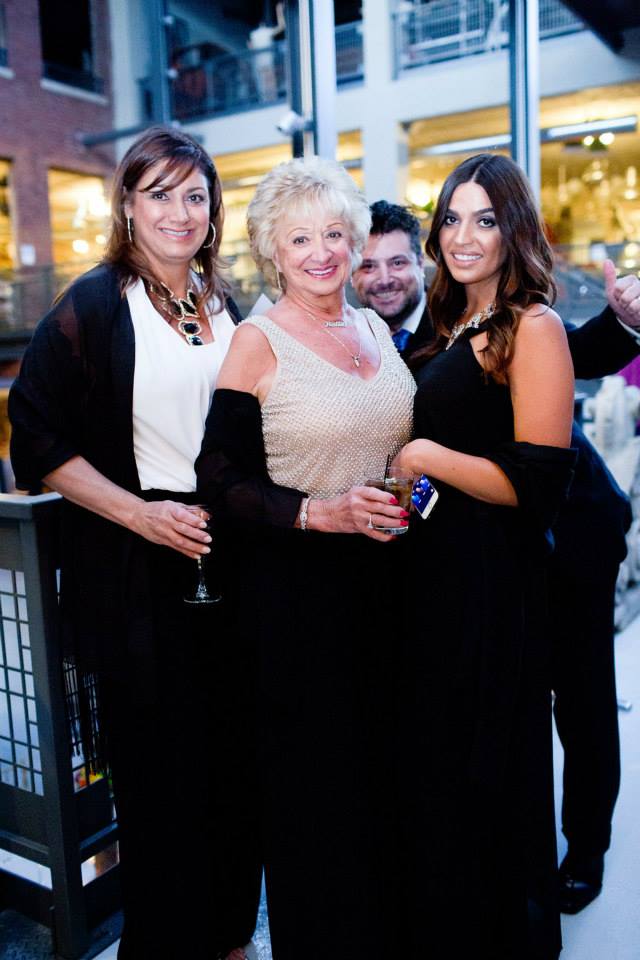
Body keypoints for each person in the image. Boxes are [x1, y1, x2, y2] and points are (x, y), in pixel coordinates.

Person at [9, 127, 260, 960]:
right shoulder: (93, 304)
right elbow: (34, 437)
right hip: (139, 570)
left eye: (195, 196)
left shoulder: (226, 302)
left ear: (213, 209)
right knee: (160, 780)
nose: (179, 212)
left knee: (234, 762)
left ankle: (230, 936)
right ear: (127, 205)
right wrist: (138, 514)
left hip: (231, 557)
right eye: (160, 194)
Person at [353, 199, 640, 913]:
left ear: (416, 259)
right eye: (368, 264)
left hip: (569, 527)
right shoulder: (384, 338)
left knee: (578, 693)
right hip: (482, 549)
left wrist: (624, 321)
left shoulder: (498, 313)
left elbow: (568, 355)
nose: (384, 277)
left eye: (396, 261)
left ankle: (586, 851)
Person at [195, 155, 417, 960]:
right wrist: (318, 513)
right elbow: (217, 478)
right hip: (298, 603)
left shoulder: (373, 328)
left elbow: (402, 440)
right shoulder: (257, 342)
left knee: (387, 783)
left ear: (354, 239)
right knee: (316, 800)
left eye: (332, 233)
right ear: (273, 252)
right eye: (299, 239)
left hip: (391, 588)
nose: (320, 252)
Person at [391, 153, 577, 959]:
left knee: (488, 777)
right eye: (451, 218)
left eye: (486, 220)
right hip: (434, 582)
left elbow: (539, 486)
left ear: (514, 230)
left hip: (494, 588)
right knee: (439, 778)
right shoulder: (448, 325)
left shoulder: (532, 327)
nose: (463, 236)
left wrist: (425, 457)